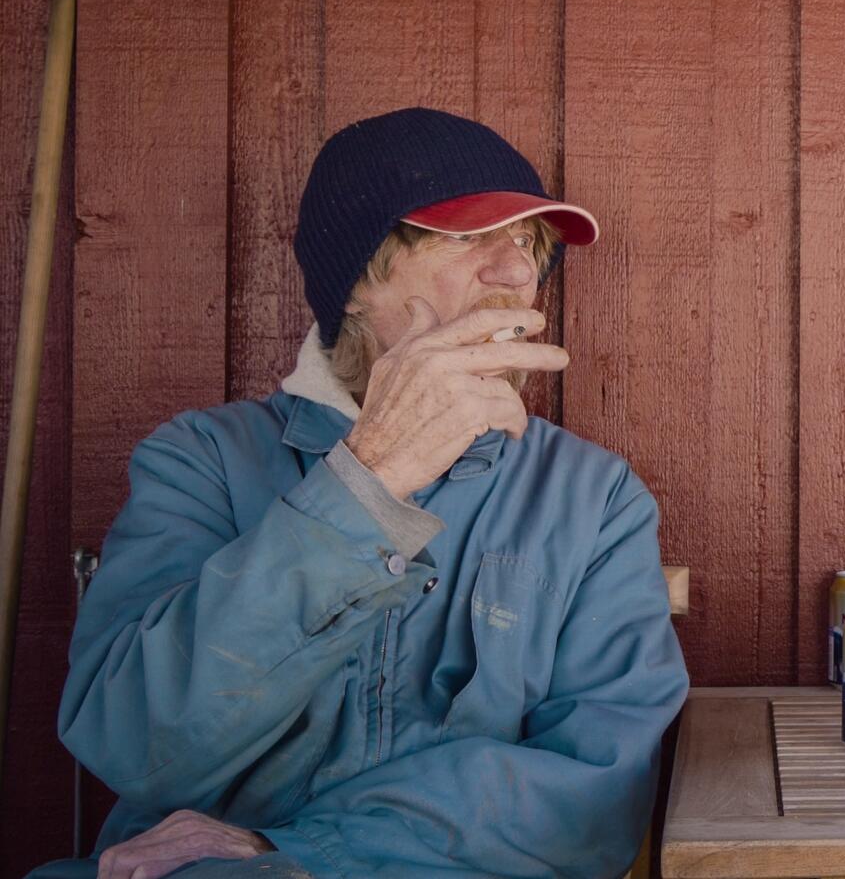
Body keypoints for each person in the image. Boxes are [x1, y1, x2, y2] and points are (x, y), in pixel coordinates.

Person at [32, 107, 689, 879]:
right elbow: (136, 743)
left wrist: (303, 851)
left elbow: (593, 795)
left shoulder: (591, 497)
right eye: (469, 237)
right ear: (353, 284)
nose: (518, 273)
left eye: (530, 246)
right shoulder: (202, 461)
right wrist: (367, 479)